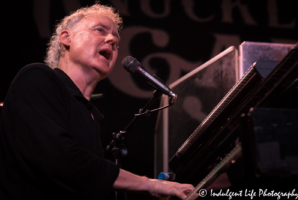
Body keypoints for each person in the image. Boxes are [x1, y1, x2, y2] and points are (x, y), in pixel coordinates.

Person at [0, 3, 198, 200]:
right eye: (100, 30)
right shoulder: (36, 78)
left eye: (116, 41)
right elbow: (63, 161)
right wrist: (151, 185)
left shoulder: (91, 115)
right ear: (66, 38)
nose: (112, 39)